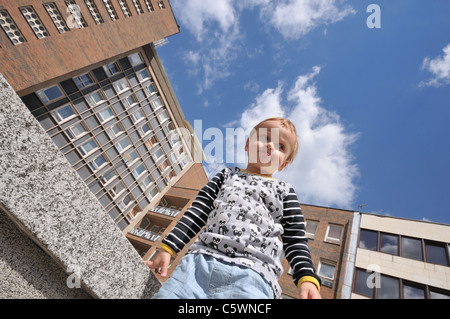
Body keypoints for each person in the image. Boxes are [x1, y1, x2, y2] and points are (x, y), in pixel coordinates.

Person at [146, 117, 321, 299]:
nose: (270, 146)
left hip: (255, 276)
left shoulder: (285, 191)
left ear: (283, 163)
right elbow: (198, 211)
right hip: (198, 264)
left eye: (281, 146)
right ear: (248, 144)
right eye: (265, 137)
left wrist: (306, 277)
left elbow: (296, 238)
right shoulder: (226, 175)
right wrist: (168, 248)